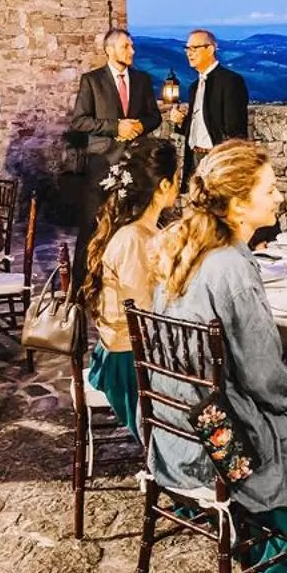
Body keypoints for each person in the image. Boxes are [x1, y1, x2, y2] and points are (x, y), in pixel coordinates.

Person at [148, 140, 287, 573]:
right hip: (219, 442)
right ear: (239, 205)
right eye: (270, 189)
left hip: (173, 426)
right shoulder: (233, 266)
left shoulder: (188, 248)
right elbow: (267, 384)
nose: (280, 197)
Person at [77, 137, 179, 432]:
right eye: (177, 178)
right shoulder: (134, 239)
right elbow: (143, 316)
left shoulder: (143, 229)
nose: (179, 185)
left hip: (134, 353)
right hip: (129, 365)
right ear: (164, 185)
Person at [67, 28, 161, 280]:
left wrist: (140, 125)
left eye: (132, 46)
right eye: (125, 47)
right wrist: (115, 127)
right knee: (92, 226)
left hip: (135, 163)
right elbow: (80, 121)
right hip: (103, 164)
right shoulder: (92, 81)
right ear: (109, 50)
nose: (132, 51)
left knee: (132, 225)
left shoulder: (142, 80)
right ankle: (81, 285)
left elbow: (154, 116)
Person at [166, 29, 249, 179]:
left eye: (194, 48)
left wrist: (226, 165)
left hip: (217, 161)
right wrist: (180, 122)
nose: (189, 53)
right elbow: (200, 127)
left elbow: (235, 129)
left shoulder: (230, 81)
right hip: (194, 159)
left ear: (210, 49)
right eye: (187, 49)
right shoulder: (194, 87)